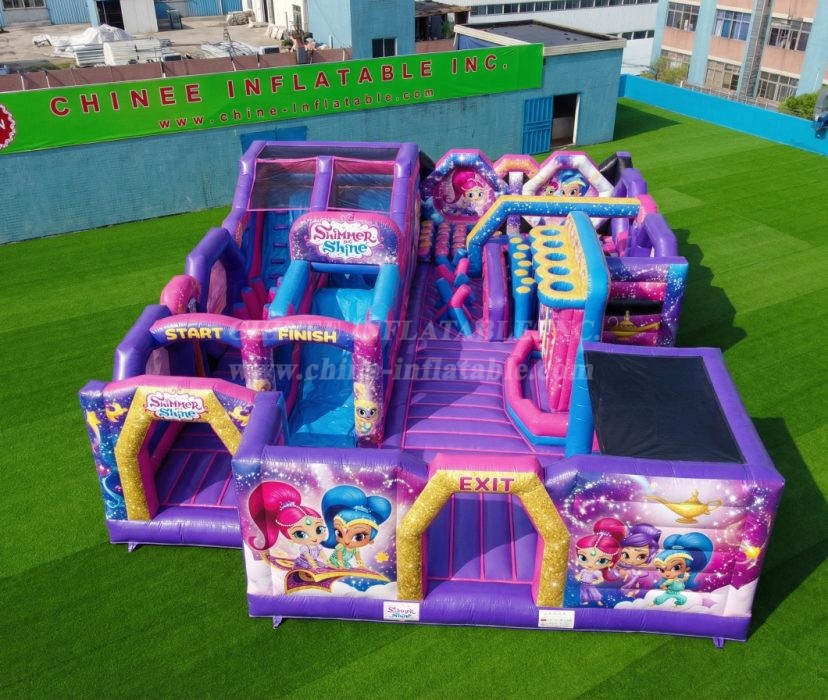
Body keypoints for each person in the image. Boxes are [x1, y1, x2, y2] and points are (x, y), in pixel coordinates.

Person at [246, 481, 328, 570]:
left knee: (323, 566)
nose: (314, 538)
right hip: (303, 563)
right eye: (301, 534)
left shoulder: (318, 546)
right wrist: (313, 564)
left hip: (314, 562)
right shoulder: (304, 548)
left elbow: (323, 555)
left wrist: (326, 561)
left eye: (319, 529)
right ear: (289, 538)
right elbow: (308, 557)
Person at [322, 485, 391, 570]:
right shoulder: (340, 547)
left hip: (344, 564)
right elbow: (339, 558)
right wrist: (341, 566)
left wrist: (361, 565)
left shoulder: (355, 549)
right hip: (335, 562)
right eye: (339, 533)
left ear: (371, 540)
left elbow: (358, 558)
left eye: (358, 537)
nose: (346, 541)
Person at [574, 517, 625, 606]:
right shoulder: (584, 570)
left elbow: (600, 579)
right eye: (583, 557)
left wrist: (596, 582)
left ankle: (598, 600)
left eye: (601, 560)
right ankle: (585, 600)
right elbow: (579, 575)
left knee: (594, 592)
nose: (590, 564)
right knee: (583, 592)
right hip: (583, 584)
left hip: (590, 584)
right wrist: (578, 577)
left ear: (610, 563)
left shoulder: (597, 572)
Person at [653, 532, 713, 606]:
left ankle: (676, 604)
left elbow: (683, 580)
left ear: (687, 567)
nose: (667, 573)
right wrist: (664, 587)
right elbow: (663, 586)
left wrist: (686, 577)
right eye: (661, 570)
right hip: (669, 593)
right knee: (660, 599)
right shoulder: (669, 581)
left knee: (683, 599)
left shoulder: (681, 581)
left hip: (678, 594)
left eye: (676, 568)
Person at [616, 523, 661, 597]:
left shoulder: (647, 573)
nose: (632, 561)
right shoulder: (621, 567)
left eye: (641, 556)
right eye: (626, 554)